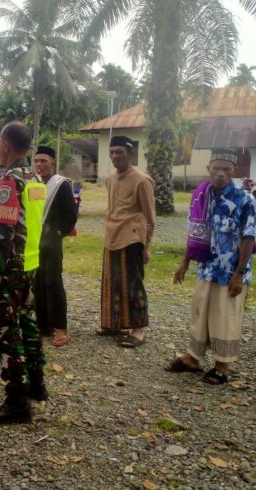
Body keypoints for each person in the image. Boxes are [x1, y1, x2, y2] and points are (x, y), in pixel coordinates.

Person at [167, 148, 256, 385]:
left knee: (225, 316)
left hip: (231, 271)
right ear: (209, 168)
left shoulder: (245, 199)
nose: (220, 173)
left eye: (226, 169)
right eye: (216, 168)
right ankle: (193, 358)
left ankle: (222, 365)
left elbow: (248, 238)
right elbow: (194, 231)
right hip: (207, 267)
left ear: (233, 171)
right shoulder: (202, 196)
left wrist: (239, 274)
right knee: (200, 312)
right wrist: (185, 262)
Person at [0, 121, 47, 424]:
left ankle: (17, 400)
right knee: (27, 325)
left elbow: (3, 234)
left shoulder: (9, 181)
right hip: (29, 265)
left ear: (5, 144)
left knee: (2, 330)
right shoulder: (35, 178)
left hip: (9, 269)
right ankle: (36, 384)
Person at [98, 135, 155, 348]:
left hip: (131, 239)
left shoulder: (142, 180)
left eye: (119, 152)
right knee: (112, 283)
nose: (115, 156)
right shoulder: (111, 178)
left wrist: (146, 246)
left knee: (132, 284)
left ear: (130, 154)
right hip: (111, 236)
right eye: (112, 152)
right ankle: (115, 324)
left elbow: (150, 218)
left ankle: (138, 330)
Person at [32, 145, 77, 347]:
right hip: (35, 242)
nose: (39, 164)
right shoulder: (35, 184)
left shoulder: (61, 184)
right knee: (38, 283)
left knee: (53, 282)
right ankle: (43, 325)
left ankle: (60, 328)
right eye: (36, 161)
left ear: (53, 163)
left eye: (43, 161)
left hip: (52, 243)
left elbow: (71, 215)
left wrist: (57, 234)